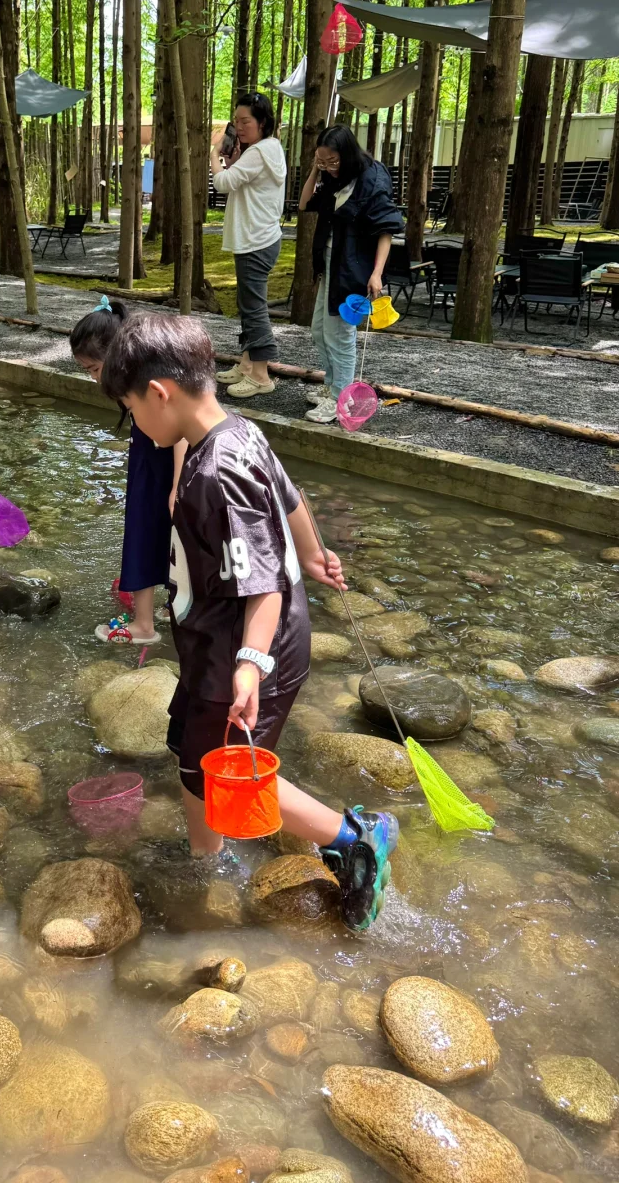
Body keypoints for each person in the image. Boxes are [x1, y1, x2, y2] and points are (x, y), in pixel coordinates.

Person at [100, 312, 399, 931]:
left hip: (248, 647)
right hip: (216, 640)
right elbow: (290, 499)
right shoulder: (238, 430)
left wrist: (250, 665)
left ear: (160, 393)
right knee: (190, 750)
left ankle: (354, 837)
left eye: (132, 410)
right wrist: (313, 553)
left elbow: (261, 588)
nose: (136, 426)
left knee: (226, 771)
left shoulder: (218, 472)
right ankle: (205, 861)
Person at [70, 298, 186, 646]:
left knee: (143, 536)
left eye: (93, 369)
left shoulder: (147, 379)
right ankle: (173, 606)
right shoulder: (137, 376)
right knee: (163, 537)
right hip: (149, 463)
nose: (93, 379)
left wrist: (176, 487)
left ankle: (144, 624)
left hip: (163, 469)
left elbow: (180, 432)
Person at [298, 125, 402, 424]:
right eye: (323, 160)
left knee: (340, 334)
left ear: (348, 154)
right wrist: (316, 172)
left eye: (333, 161)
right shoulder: (333, 178)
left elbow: (386, 230)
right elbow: (305, 204)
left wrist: (377, 273)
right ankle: (333, 386)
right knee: (319, 330)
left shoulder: (372, 179)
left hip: (355, 265)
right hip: (330, 260)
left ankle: (340, 399)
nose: (329, 167)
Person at [211, 92, 287, 400]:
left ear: (263, 123)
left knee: (255, 309)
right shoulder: (267, 150)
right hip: (258, 238)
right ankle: (246, 365)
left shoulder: (260, 152)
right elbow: (241, 181)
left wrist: (214, 157)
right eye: (237, 121)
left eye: (246, 121)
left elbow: (223, 184)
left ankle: (261, 375)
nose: (240, 127)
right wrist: (233, 163)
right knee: (248, 305)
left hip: (256, 240)